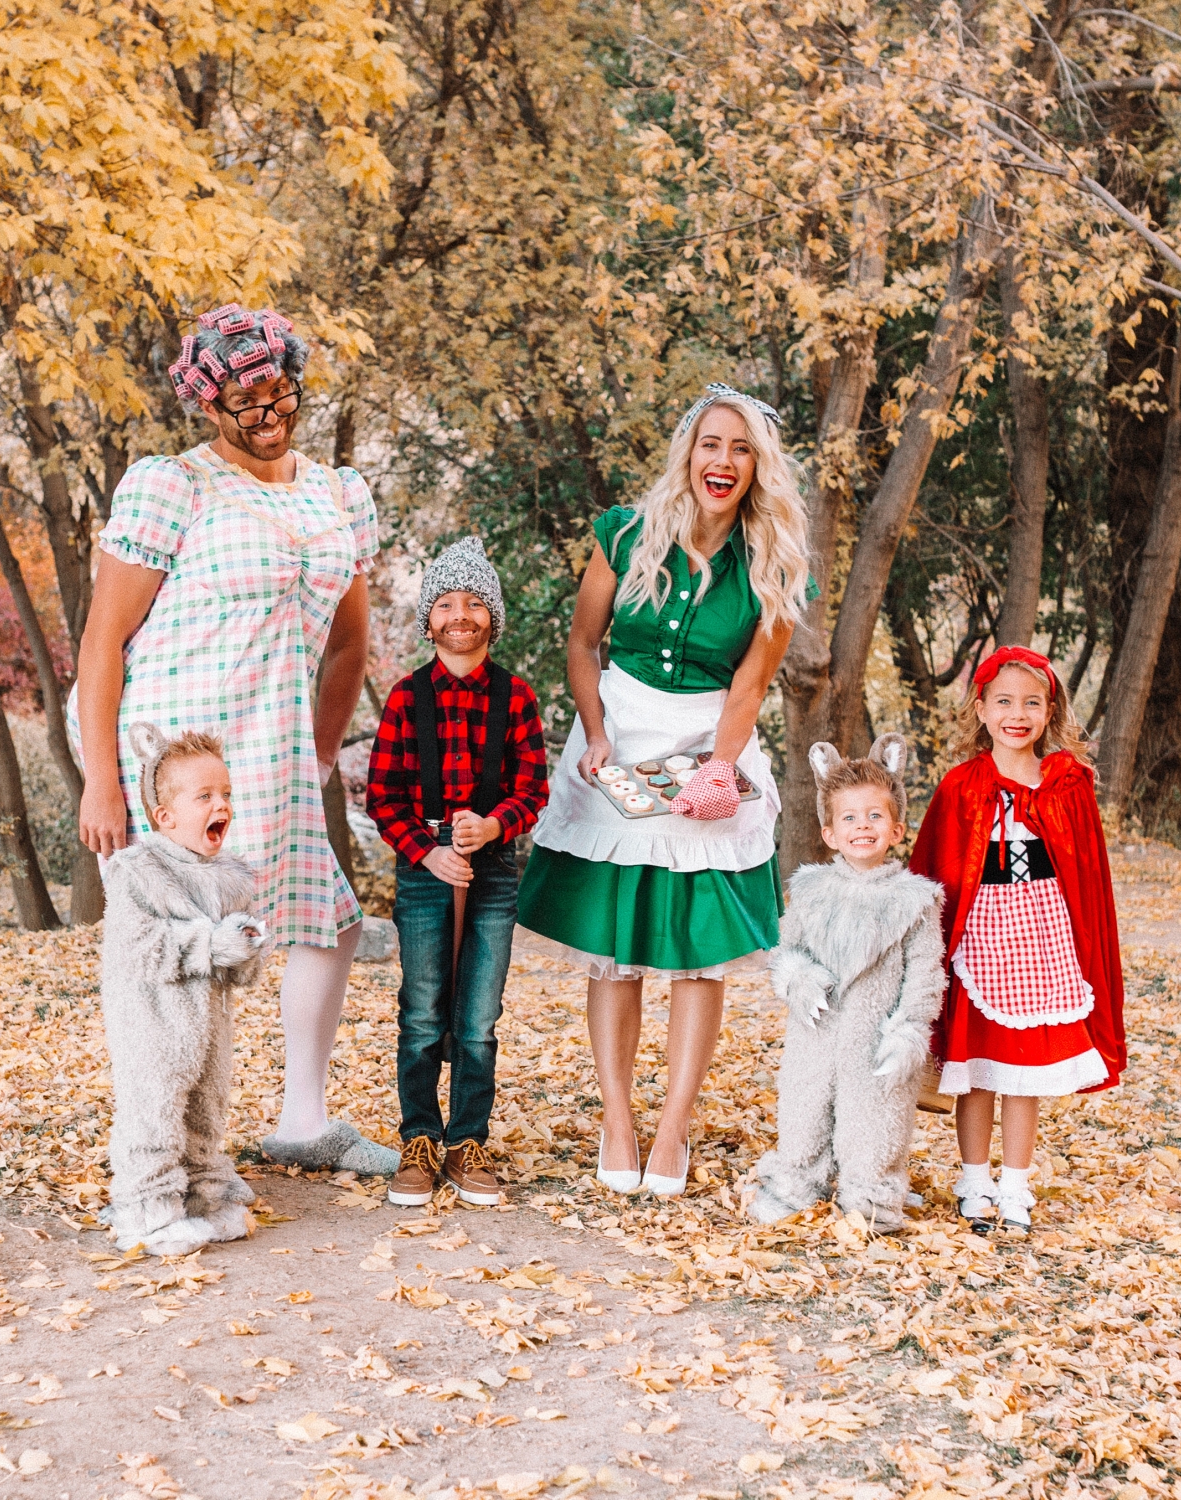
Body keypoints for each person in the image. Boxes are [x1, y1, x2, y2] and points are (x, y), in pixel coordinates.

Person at [72, 304, 398, 1178]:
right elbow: (103, 640)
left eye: (278, 390)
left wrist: (319, 755)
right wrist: (103, 780)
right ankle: (159, 1143)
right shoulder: (170, 486)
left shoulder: (338, 495)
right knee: (177, 953)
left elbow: (349, 642)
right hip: (173, 754)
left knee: (326, 924)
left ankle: (301, 1120)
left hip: (276, 752)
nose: (265, 410)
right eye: (242, 396)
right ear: (208, 403)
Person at [516, 382, 814, 1197]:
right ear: (688, 452)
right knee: (613, 953)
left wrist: (722, 768)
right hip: (616, 736)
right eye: (711, 444)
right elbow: (583, 643)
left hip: (708, 740)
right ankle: (618, 1117)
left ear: (759, 467)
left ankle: (673, 1126)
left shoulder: (776, 567)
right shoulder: (624, 534)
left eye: (741, 449)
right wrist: (597, 731)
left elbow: (752, 686)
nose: (722, 461)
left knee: (698, 954)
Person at [909, 645, 1126, 1234]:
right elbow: (933, 872)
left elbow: (1088, 877)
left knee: (1023, 1068)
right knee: (976, 1067)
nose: (1017, 713)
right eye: (1003, 701)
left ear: (1049, 710)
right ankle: (974, 1178)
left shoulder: (1069, 786)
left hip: (1044, 943)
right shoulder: (960, 787)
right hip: (979, 944)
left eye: (1032, 702)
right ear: (980, 709)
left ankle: (1016, 1183)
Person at [366, 538, 549, 1207]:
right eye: (447, 602)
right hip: (423, 870)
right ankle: (419, 1135)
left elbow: (533, 788)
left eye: (475, 602)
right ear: (430, 619)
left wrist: (494, 824)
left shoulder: (516, 697)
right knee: (421, 1011)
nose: (461, 613)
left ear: (492, 617)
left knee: (477, 1015)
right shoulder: (405, 698)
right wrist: (429, 850)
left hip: (493, 869)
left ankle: (466, 1141)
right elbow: (381, 798)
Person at [750, 735, 946, 1229]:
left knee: (875, 1116)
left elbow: (926, 972)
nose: (863, 826)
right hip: (816, 1034)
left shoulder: (915, 902)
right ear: (830, 833)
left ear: (896, 829)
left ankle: (871, 1192)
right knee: (803, 1109)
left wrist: (908, 1030)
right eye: (850, 818)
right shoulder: (812, 891)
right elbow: (785, 951)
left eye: (875, 817)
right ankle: (795, 1181)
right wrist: (798, 979)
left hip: (874, 1037)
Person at [100, 724, 269, 1256]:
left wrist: (244, 948)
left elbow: (235, 968)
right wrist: (209, 944)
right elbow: (138, 946)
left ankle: (203, 1197)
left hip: (209, 1030)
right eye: (205, 796)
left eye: (226, 795)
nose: (221, 805)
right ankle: (145, 1209)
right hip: (152, 1026)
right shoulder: (137, 872)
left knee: (205, 1110)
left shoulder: (230, 879)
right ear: (165, 816)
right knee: (154, 1111)